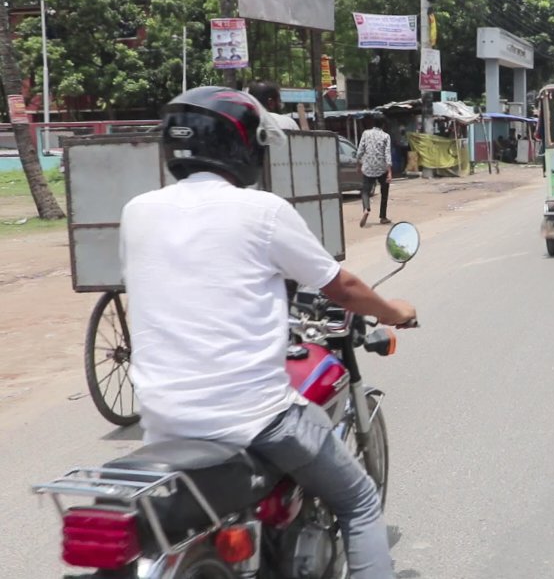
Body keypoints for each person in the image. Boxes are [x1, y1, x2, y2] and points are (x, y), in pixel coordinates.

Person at [121, 87, 417, 579]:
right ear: (242, 145)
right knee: (360, 500)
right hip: (255, 421)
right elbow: (341, 286)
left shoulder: (137, 212)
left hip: (164, 423)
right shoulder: (261, 211)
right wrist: (393, 310)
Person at [357, 114, 394, 227]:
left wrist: (359, 164)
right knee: (384, 192)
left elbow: (360, 151)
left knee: (365, 191)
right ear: (383, 124)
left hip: (368, 167)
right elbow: (387, 154)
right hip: (381, 168)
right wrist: (389, 171)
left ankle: (366, 209)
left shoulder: (365, 133)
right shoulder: (386, 136)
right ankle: (383, 217)